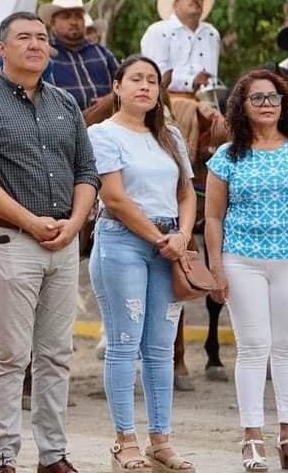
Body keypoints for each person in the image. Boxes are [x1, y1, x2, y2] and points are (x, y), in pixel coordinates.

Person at [0, 11, 100, 473]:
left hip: (63, 242)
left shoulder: (66, 105)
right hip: (10, 238)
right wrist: (33, 223)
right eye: (24, 38)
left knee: (56, 354)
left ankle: (53, 456)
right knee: (11, 355)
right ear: (2, 49)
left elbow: (87, 172)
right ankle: (2, 457)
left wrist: (75, 223)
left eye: (42, 38)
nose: (36, 45)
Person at [87, 56, 197, 472]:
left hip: (169, 242)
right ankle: (124, 440)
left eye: (152, 81)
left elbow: (187, 193)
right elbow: (113, 197)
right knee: (123, 344)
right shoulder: (103, 134)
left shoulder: (169, 134)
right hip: (123, 242)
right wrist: (160, 239)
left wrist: (182, 237)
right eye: (136, 79)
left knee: (161, 347)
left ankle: (161, 440)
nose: (145, 87)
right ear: (117, 86)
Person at [204, 69, 288, 473]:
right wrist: (216, 267)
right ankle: (251, 438)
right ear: (242, 106)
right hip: (242, 259)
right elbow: (213, 218)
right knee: (253, 348)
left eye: (273, 97)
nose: (267, 104)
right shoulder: (227, 156)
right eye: (257, 98)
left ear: (284, 103)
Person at [37, 0, 119, 110]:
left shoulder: (102, 53)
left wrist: (110, 100)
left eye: (78, 16)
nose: (74, 22)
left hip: (105, 123)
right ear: (53, 23)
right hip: (63, 125)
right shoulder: (44, 55)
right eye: (66, 17)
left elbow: (125, 86)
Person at [140, 0, 220, 98]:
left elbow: (212, 75)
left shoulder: (211, 33)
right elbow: (156, 75)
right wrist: (191, 80)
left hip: (208, 100)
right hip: (168, 100)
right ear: (175, 3)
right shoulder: (158, 31)